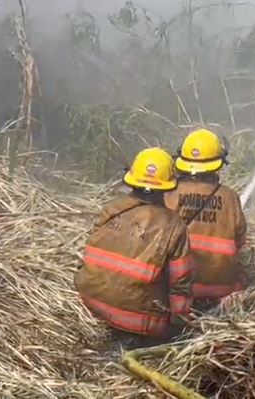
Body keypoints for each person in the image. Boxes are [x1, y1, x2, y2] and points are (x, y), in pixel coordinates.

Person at [74, 147, 194, 347]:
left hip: (89, 303)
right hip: (136, 321)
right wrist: (180, 327)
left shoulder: (111, 210)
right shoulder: (175, 227)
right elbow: (181, 283)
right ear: (169, 185)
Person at [165, 128, 247, 310]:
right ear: (219, 163)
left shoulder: (169, 193)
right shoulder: (230, 197)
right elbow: (241, 241)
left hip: (178, 287)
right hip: (221, 289)